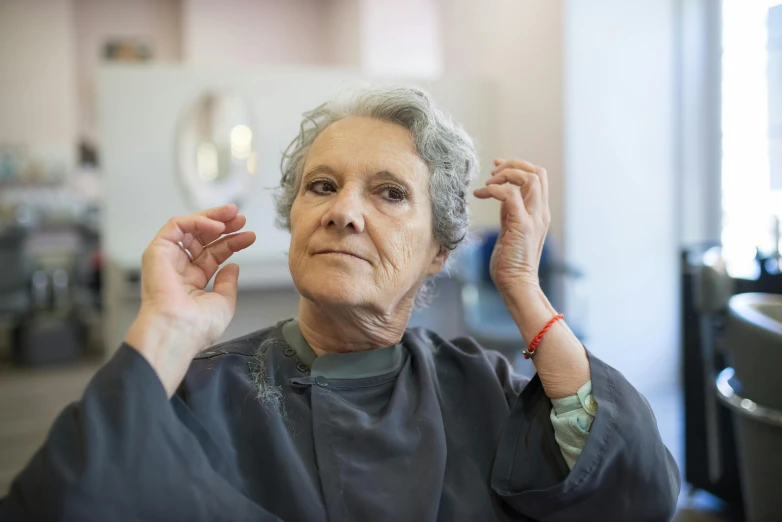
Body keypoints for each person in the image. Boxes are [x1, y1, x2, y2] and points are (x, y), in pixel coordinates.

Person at [0, 86, 679, 522]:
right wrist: (165, 331)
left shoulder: (484, 393)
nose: (345, 212)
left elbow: (638, 491)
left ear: (439, 250)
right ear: (294, 218)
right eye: (322, 186)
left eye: (389, 193)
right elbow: (59, 503)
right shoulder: (197, 396)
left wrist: (527, 292)